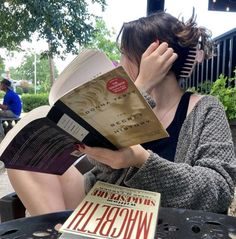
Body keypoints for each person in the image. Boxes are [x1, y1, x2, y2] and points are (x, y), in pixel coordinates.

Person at [7, 11, 236, 216]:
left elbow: (221, 188)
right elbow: (104, 175)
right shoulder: (127, 103)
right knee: (22, 162)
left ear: (155, 54)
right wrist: (139, 89)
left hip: (162, 220)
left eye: (125, 54)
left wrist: (141, 160)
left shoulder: (205, 108)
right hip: (108, 205)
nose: (120, 62)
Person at [0, 77, 22, 142]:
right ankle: (6, 128)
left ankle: (2, 137)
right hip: (16, 113)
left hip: (13, 113)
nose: (0, 86)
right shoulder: (10, 93)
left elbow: (4, 108)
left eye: (1, 84)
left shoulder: (8, 95)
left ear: (5, 86)